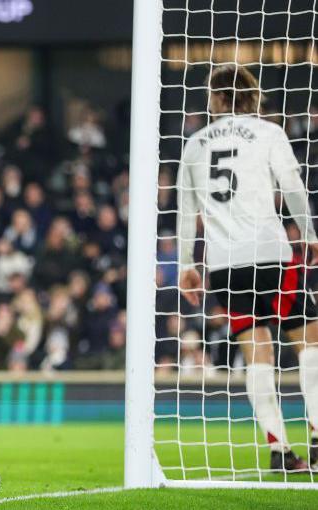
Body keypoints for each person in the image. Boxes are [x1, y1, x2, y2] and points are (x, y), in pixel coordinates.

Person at [178, 64, 318, 471]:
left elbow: (185, 212)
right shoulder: (269, 133)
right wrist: (309, 233)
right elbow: (292, 187)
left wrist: (188, 264)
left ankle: (279, 450)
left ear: (219, 97)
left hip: (224, 266)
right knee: (310, 342)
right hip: (270, 255)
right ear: (251, 96)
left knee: (257, 352)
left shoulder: (194, 144)